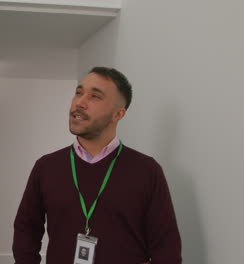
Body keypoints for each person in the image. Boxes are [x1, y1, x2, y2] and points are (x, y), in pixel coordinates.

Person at [13, 67, 181, 264]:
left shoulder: (147, 171)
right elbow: (26, 230)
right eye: (78, 93)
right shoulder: (46, 167)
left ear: (118, 114)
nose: (80, 102)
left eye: (94, 96)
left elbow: (167, 249)